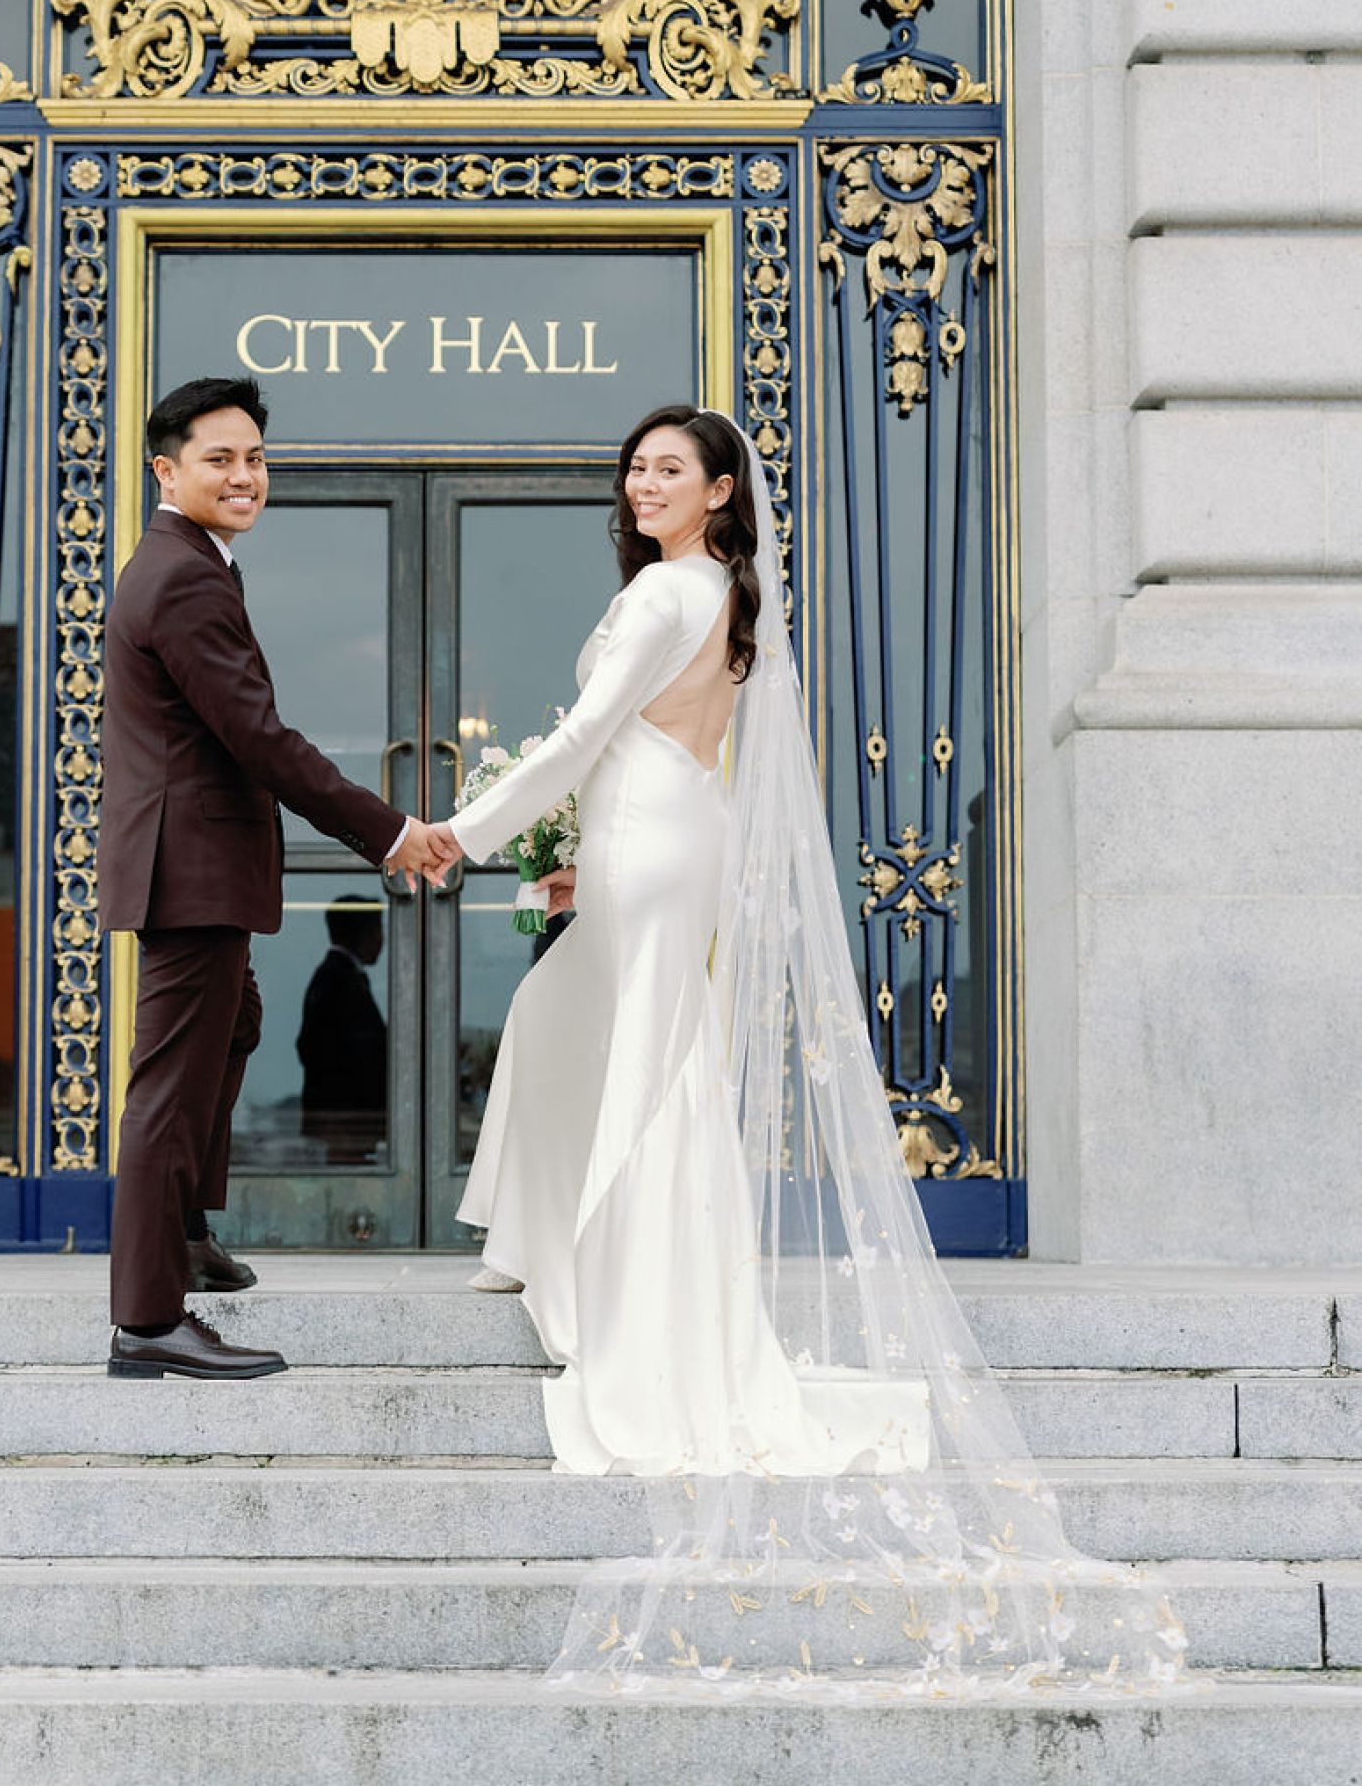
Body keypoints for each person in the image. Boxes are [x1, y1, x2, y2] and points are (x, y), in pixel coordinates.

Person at [426, 404, 1187, 1694]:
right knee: (571, 1021)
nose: (643, 479)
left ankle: (629, 1298)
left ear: (721, 490)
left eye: (671, 467)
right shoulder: (716, 595)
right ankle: (543, 1244)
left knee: (649, 1063)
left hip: (652, 833)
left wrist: (466, 828)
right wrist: (573, 861)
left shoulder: (678, 590)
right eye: (635, 465)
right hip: (663, 834)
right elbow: (648, 745)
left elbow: (586, 735)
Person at [98, 374, 447, 1381]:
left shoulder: (195, 565)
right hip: (189, 867)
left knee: (234, 1029)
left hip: (192, 863)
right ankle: (148, 1320)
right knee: (167, 1088)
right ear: (166, 470)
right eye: (220, 458)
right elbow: (256, 735)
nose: (244, 474)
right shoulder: (182, 578)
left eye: (253, 457)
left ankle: (187, 1234)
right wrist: (387, 831)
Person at [297, 899, 388, 1163]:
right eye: (379, 929)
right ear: (365, 933)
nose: (383, 940)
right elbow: (320, 1047)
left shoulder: (337, 975)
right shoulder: (337, 978)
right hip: (343, 1118)